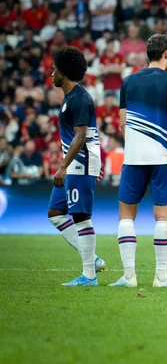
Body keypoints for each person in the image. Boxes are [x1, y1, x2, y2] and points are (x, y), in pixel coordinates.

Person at [109, 34, 167, 288]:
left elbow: (123, 123)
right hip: (161, 157)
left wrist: (135, 145)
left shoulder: (129, 81)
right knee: (163, 216)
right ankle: (161, 276)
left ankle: (128, 277)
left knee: (126, 216)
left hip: (134, 157)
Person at [47, 47, 104, 287]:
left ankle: (89, 276)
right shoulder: (70, 98)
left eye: (54, 69)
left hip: (78, 165)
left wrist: (62, 167)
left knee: (81, 218)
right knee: (55, 213)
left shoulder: (79, 99)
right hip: (76, 165)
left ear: (65, 71)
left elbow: (80, 136)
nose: (51, 73)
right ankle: (93, 259)